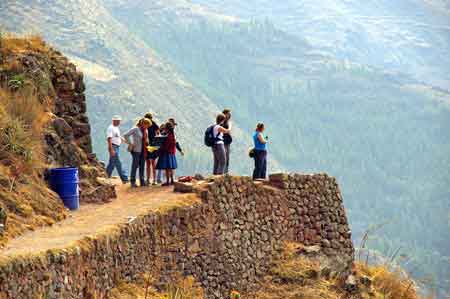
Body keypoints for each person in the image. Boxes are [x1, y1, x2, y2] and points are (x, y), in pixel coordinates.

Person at [123, 118, 152, 188]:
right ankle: (132, 181)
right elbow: (125, 135)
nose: (147, 127)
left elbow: (146, 138)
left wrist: (148, 142)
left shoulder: (146, 130)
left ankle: (142, 181)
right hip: (136, 150)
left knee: (142, 166)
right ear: (143, 124)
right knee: (135, 166)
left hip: (144, 150)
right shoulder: (135, 129)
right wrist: (131, 143)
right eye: (147, 125)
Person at [105, 115, 128, 183]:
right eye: (117, 121)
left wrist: (122, 139)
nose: (119, 122)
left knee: (112, 163)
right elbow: (109, 138)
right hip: (113, 146)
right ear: (114, 121)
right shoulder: (110, 128)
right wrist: (111, 149)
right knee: (118, 163)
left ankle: (106, 176)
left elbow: (117, 136)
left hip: (116, 147)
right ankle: (125, 179)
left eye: (119, 121)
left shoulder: (116, 128)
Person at [156, 122, 179, 186]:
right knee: (171, 168)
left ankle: (168, 181)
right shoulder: (172, 135)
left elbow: (166, 146)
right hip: (171, 153)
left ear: (167, 129)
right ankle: (171, 180)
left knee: (167, 168)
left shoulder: (168, 136)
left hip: (167, 153)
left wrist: (160, 148)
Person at [144, 112, 160, 185]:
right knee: (153, 162)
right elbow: (158, 133)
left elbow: (157, 133)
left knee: (148, 163)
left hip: (148, 145)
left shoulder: (146, 123)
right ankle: (154, 180)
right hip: (153, 145)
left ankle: (148, 179)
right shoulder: (154, 123)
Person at [222, 109, 232, 174]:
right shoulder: (222, 122)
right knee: (223, 157)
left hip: (227, 142)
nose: (229, 115)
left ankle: (225, 172)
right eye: (228, 114)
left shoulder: (228, 122)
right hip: (222, 142)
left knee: (227, 157)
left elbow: (229, 130)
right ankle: (222, 172)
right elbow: (228, 130)